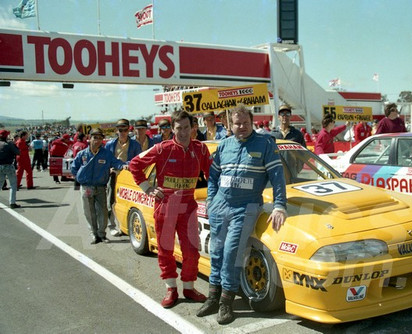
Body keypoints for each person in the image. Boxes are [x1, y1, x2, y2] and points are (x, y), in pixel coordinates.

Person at [197, 104, 287, 324]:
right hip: (220, 206)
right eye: (237, 123)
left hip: (246, 207)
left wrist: (279, 205)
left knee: (231, 253)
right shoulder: (224, 145)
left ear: (252, 121)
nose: (242, 127)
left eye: (246, 123)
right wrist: (211, 200)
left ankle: (226, 303)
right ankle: (213, 297)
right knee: (216, 251)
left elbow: (277, 176)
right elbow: (213, 177)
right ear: (229, 124)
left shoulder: (265, 143)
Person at [129, 110, 212, 309]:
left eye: (186, 128)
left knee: (191, 251)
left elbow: (212, 173)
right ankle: (171, 288)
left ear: (193, 128)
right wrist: (147, 188)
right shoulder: (161, 148)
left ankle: (189, 287)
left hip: (189, 207)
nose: (183, 132)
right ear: (172, 129)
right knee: (165, 249)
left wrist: (216, 195)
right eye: (178, 128)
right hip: (166, 206)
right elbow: (134, 165)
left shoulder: (200, 149)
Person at [71, 128, 128, 244]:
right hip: (86, 187)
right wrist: (80, 177)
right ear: (89, 138)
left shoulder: (106, 154)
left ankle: (102, 234)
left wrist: (124, 165)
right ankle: (94, 234)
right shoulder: (82, 154)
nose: (97, 140)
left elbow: (116, 162)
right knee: (89, 211)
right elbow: (73, 168)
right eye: (95, 137)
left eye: (100, 138)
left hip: (101, 187)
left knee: (102, 211)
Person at [105, 118, 142, 236]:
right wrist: (109, 168)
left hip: (128, 177)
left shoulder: (135, 144)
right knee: (111, 201)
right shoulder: (110, 144)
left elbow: (138, 160)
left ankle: (124, 226)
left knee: (126, 202)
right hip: (113, 175)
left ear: (128, 130)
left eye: (125, 130)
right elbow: (105, 160)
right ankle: (112, 225)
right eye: (120, 130)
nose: (122, 132)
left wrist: (127, 165)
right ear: (117, 131)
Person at [0, 130, 20, 208]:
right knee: (13, 184)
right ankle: (12, 202)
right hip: (8, 165)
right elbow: (18, 152)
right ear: (6, 136)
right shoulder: (9, 144)